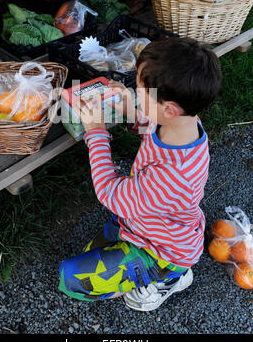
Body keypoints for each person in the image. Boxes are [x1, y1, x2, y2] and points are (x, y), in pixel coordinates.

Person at [58, 36, 222, 311]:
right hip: (153, 224)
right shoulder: (183, 124)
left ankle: (168, 277)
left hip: (161, 251)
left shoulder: (173, 175)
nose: (134, 89)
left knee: (71, 277)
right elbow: (152, 124)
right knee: (92, 252)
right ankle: (154, 264)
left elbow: (109, 192)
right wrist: (129, 109)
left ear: (169, 108)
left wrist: (96, 132)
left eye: (142, 89)